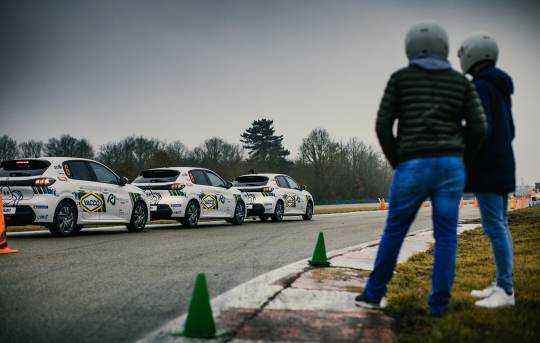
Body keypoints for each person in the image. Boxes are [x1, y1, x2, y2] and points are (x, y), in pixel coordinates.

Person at [355, 21, 487, 315]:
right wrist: (461, 156)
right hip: (451, 165)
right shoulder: (461, 82)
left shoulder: (400, 78)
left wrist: (397, 160)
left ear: (410, 47)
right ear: (444, 47)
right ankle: (439, 304)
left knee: (394, 231)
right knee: (446, 235)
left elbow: (382, 125)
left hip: (412, 163)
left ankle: (374, 294)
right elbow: (479, 127)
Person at [458, 33, 516, 308]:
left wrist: (466, 155)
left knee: (495, 226)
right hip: (503, 164)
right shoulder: (500, 87)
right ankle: (502, 283)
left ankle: (505, 290)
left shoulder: (481, 87)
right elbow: (510, 131)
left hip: (489, 168)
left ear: (474, 55)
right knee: (500, 225)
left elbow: (479, 130)